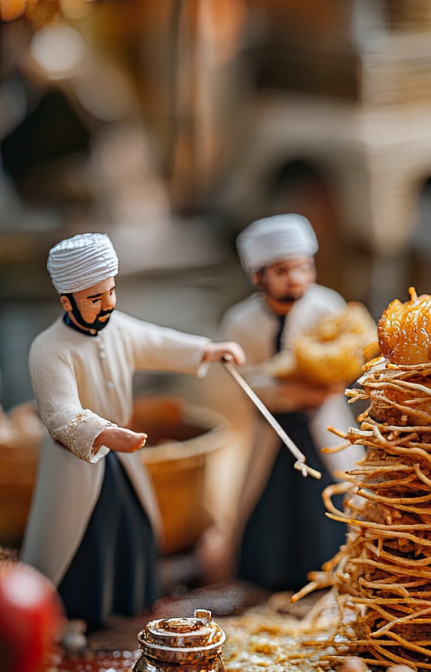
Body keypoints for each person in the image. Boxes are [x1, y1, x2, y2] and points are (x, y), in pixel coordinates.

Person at [20, 232, 244, 627]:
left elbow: (157, 342)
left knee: (134, 524)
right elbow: (59, 411)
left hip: (120, 453)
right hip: (78, 458)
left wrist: (205, 351)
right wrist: (104, 433)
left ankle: (131, 605)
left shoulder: (117, 328)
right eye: (94, 298)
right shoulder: (49, 348)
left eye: (111, 292)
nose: (107, 305)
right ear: (67, 302)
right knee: (82, 538)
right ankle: (73, 617)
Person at [220, 213, 361, 592]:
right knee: (270, 505)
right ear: (258, 277)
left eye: (303, 268)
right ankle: (266, 573)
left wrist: (325, 381)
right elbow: (245, 381)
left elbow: (348, 357)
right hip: (273, 429)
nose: (296, 279)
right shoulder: (241, 323)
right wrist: (292, 387)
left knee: (338, 495)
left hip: (324, 424)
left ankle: (343, 566)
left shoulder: (327, 307)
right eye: (282, 270)